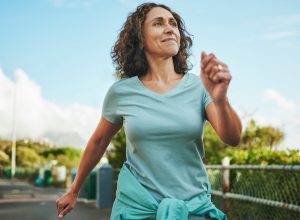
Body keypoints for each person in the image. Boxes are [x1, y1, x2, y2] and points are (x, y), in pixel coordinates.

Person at [56, 2, 242, 220]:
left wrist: (221, 100)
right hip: (136, 209)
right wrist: (74, 190)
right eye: (158, 23)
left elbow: (232, 137)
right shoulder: (121, 92)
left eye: (173, 23)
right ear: (140, 39)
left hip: (192, 209)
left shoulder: (200, 86)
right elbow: (98, 142)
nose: (169, 28)